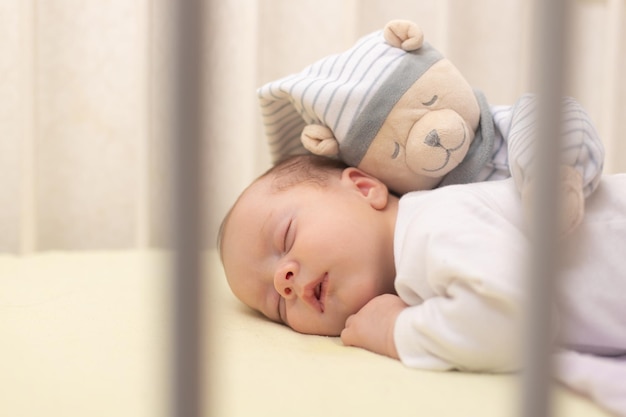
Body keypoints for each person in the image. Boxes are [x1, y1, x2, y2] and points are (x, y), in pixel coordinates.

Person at [219, 154, 626, 373]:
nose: (283, 280)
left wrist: (396, 331)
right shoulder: (421, 270)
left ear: (364, 188)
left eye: (286, 236)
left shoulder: (433, 224)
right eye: (276, 305)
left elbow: (519, 320)